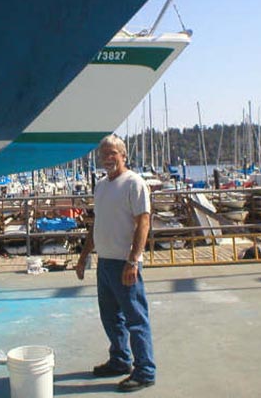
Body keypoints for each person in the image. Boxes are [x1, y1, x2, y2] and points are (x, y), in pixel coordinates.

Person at [76, 134, 155, 392]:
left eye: (112, 153)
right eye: (104, 154)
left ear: (123, 155)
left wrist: (133, 260)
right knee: (110, 317)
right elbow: (96, 224)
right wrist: (83, 256)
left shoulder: (134, 183)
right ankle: (120, 360)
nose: (107, 158)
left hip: (125, 263)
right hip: (105, 262)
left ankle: (145, 371)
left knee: (135, 318)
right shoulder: (101, 186)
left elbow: (143, 222)